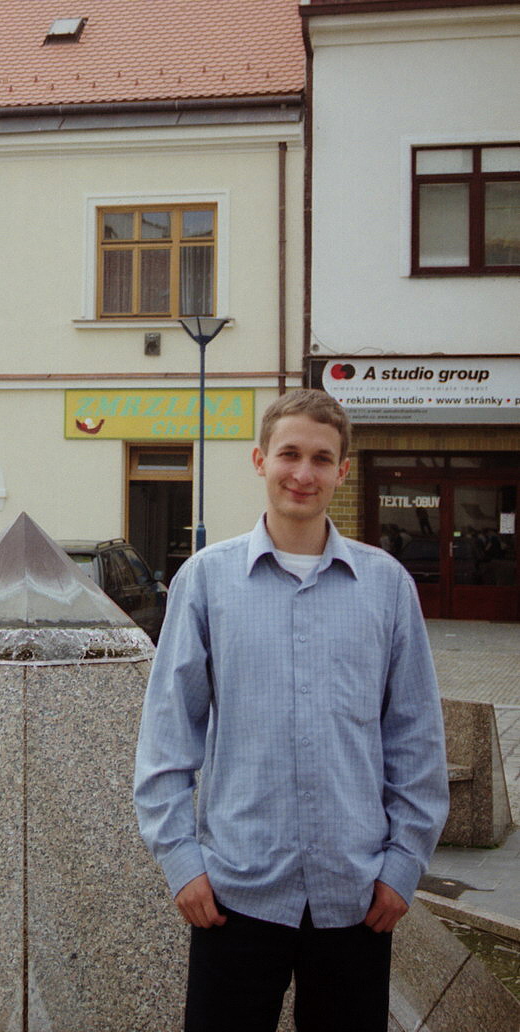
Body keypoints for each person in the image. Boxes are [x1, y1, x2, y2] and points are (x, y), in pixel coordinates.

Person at [134, 389, 449, 1031]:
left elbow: (415, 736)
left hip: (356, 897)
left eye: (321, 458)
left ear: (343, 470)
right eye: (289, 454)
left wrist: (404, 864)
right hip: (235, 893)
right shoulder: (206, 581)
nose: (303, 473)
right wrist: (181, 863)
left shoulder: (387, 585)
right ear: (260, 460)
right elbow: (167, 735)